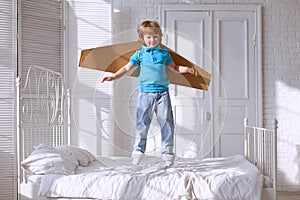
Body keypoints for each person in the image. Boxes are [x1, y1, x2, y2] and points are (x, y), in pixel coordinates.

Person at [101, 20, 198, 166]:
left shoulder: (164, 54)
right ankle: (138, 152)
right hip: (145, 94)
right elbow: (127, 68)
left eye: (155, 37)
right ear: (142, 39)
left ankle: (167, 154)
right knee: (142, 124)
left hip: (163, 94)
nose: (152, 40)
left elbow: (176, 68)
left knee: (167, 124)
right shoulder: (139, 54)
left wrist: (188, 69)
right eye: (148, 37)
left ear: (160, 37)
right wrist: (113, 76)